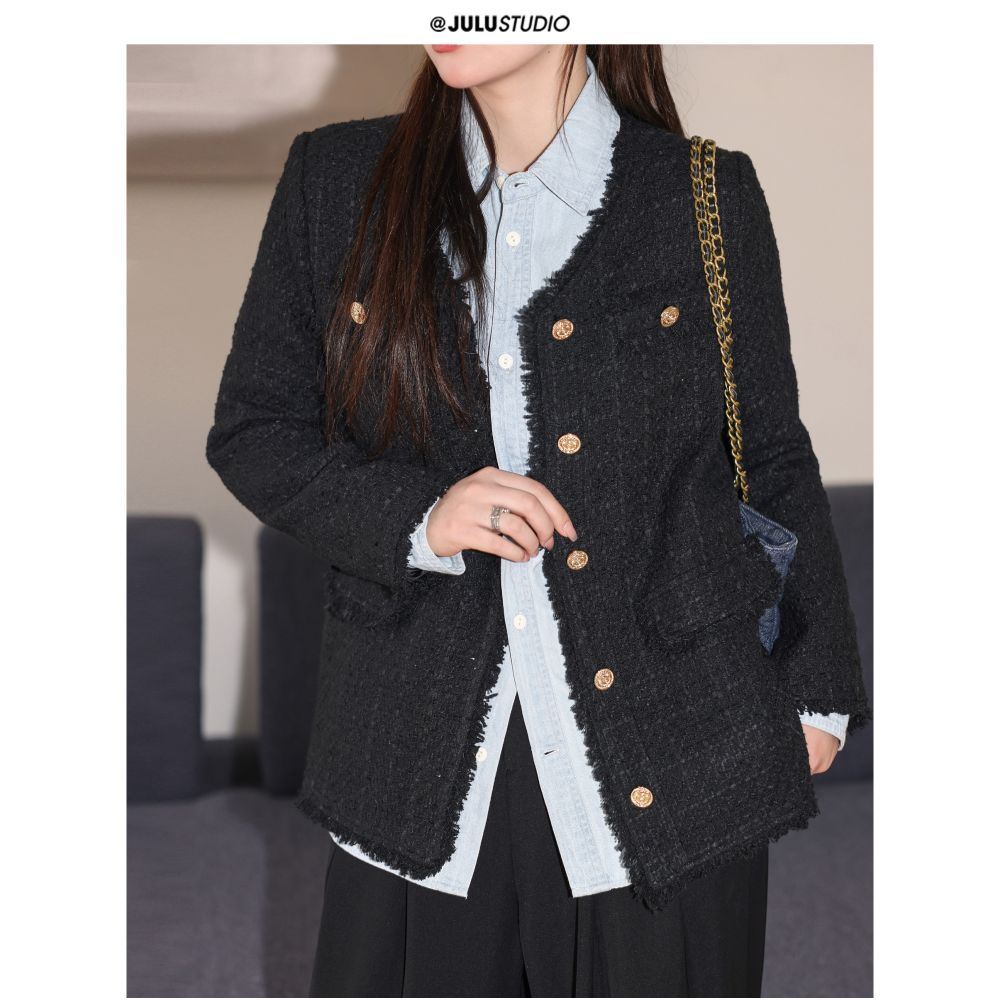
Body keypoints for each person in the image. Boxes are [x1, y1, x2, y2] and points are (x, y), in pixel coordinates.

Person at [206, 43, 871, 998]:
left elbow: (767, 453)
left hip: (679, 739)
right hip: (413, 748)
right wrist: (420, 516)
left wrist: (817, 687)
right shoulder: (338, 179)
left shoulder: (705, 194)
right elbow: (255, 431)